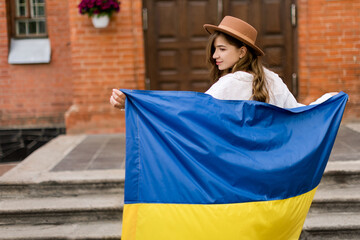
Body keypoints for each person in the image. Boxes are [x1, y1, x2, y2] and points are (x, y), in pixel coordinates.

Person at [110, 16, 336, 109]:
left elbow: (189, 112)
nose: (214, 56)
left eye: (221, 49)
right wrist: (329, 102)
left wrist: (136, 104)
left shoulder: (230, 83)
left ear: (242, 52)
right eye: (214, 50)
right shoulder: (271, 79)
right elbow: (297, 112)